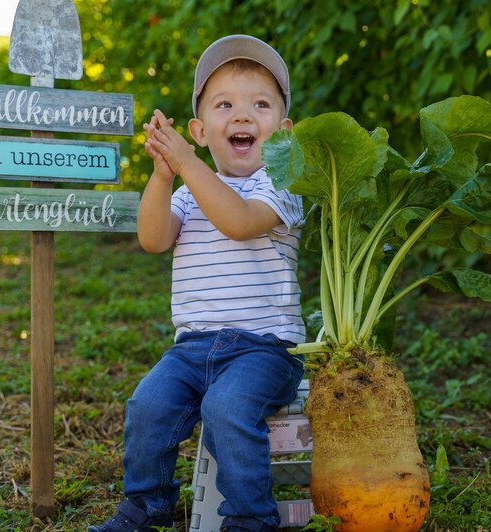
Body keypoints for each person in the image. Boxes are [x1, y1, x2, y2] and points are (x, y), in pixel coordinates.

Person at [89, 34, 305, 532]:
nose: (243, 115)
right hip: (190, 347)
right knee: (148, 405)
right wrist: (164, 176)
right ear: (200, 130)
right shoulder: (187, 193)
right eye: (224, 104)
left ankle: (251, 518)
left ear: (284, 130)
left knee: (227, 407)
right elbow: (153, 237)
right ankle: (147, 504)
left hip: (264, 349)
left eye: (261, 105)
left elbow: (239, 221)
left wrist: (187, 164)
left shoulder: (282, 183)